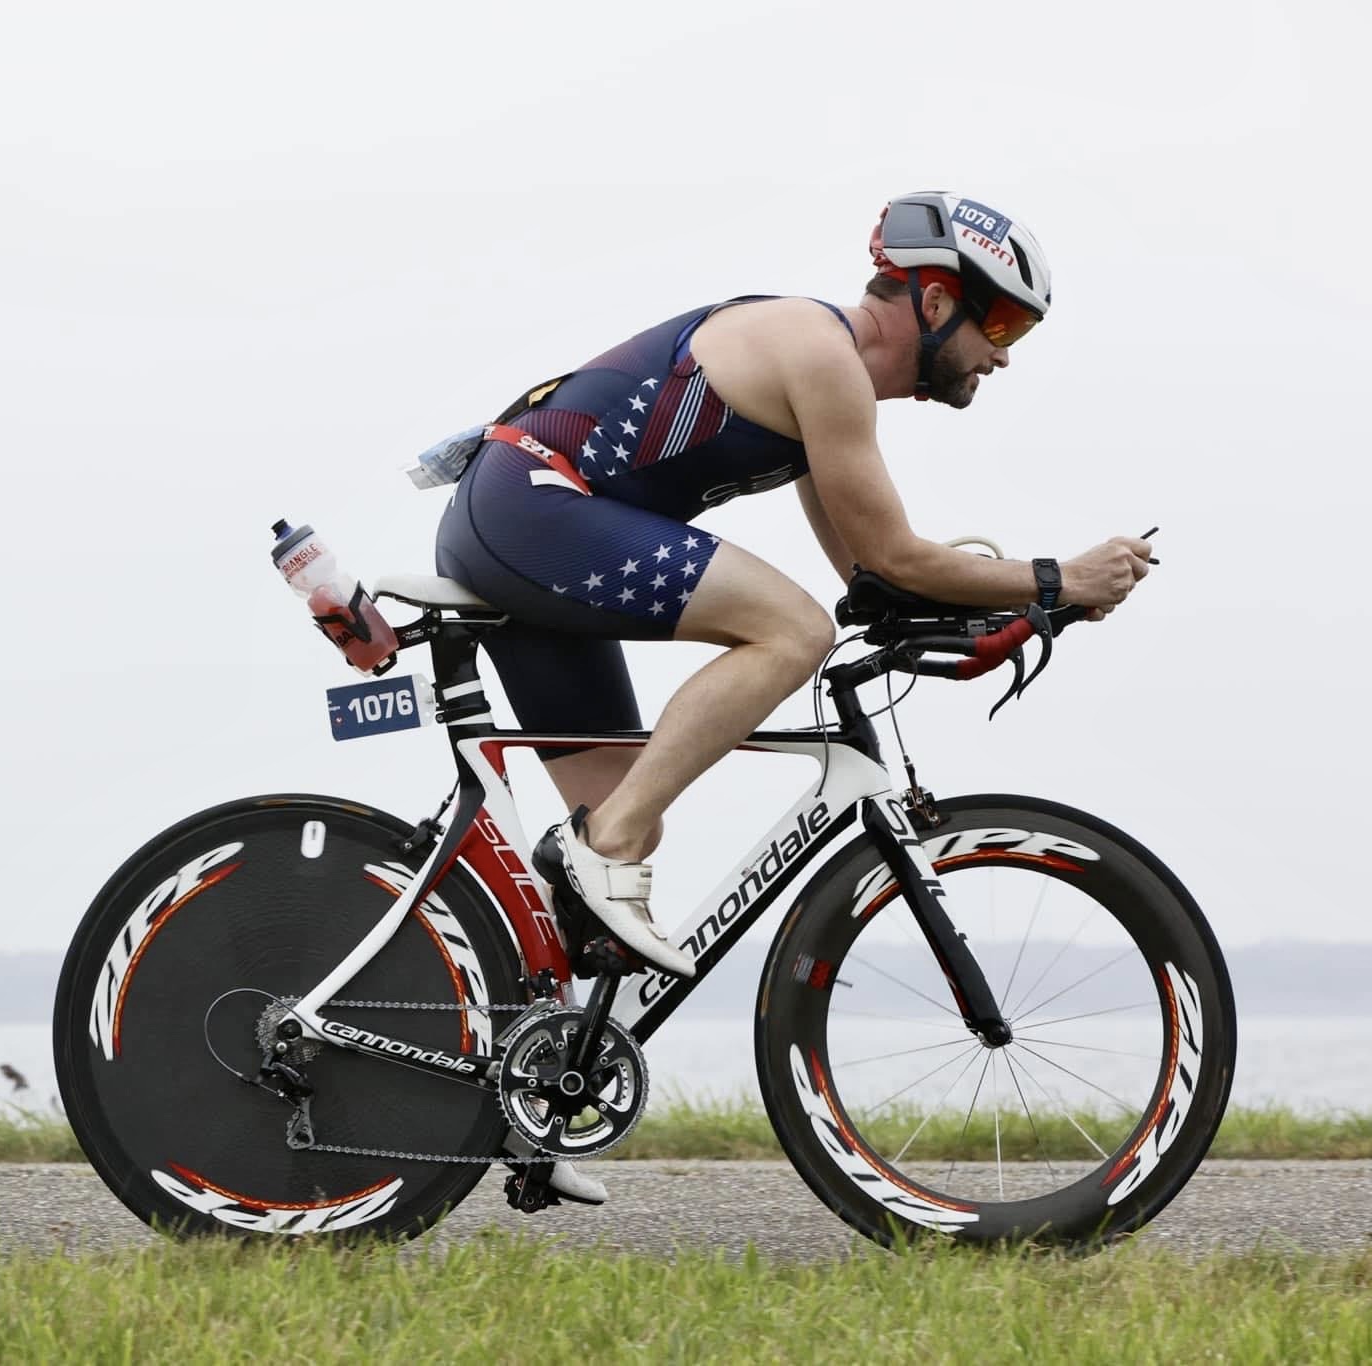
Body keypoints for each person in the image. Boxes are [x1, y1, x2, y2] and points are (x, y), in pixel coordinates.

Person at [434, 191, 1153, 984]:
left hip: (523, 526)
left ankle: (513, 1038)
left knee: (625, 819)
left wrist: (1006, 611)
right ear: (940, 301)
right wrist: (1061, 578)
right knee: (789, 634)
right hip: (532, 509)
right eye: (1005, 326)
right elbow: (897, 558)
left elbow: (873, 577)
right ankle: (595, 859)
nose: (1007, 356)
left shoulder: (824, 382)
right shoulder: (820, 354)